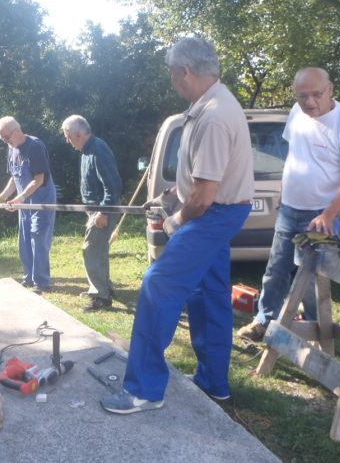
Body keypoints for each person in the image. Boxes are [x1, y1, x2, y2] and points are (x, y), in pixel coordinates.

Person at [100, 36, 254, 414]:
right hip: (219, 210)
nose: (172, 81)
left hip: (212, 213)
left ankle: (144, 390)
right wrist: (176, 188)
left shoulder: (215, 115)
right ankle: (214, 383)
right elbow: (203, 178)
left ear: (185, 70)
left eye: (172, 74)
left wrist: (173, 222)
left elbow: (203, 198)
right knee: (208, 293)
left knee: (159, 284)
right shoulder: (211, 105)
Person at [237, 67, 340, 342]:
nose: (309, 102)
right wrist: (283, 197)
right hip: (289, 209)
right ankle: (264, 321)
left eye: (316, 94)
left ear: (330, 90)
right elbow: (294, 157)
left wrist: (329, 215)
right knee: (276, 268)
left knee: (311, 277)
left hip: (321, 214)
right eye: (302, 96)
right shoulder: (297, 114)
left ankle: (314, 329)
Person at [61, 115, 122, 311]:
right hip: (96, 210)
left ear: (78, 134)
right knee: (99, 250)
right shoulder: (88, 151)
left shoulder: (98, 150)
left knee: (91, 250)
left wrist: (103, 213)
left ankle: (100, 297)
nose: (67, 141)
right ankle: (105, 288)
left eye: (68, 137)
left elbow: (113, 185)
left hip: (103, 210)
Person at [0, 117, 56, 292]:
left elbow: (39, 179)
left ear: (16, 130)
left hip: (42, 201)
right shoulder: (11, 148)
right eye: (2, 138)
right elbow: (15, 176)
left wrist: (19, 198)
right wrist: (4, 195)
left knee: (38, 238)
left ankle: (42, 282)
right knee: (25, 239)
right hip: (24, 202)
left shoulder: (35, 146)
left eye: (6, 137)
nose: (4, 141)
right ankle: (29, 277)